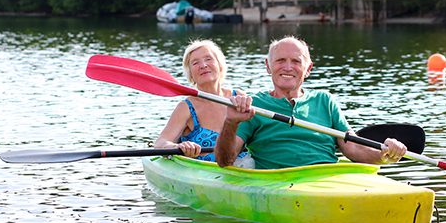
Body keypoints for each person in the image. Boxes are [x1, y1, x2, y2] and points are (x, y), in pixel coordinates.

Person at [215, 35, 407, 169]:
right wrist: (230, 122)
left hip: (326, 180)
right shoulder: (253, 106)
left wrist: (383, 154)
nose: (288, 67)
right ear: (268, 66)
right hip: (278, 183)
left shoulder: (325, 101)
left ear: (308, 69)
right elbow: (225, 160)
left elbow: (353, 147)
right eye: (280, 60)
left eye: (296, 61)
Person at [154, 39, 251, 166]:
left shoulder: (239, 98)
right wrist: (178, 147)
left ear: (220, 65)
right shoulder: (187, 107)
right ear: (191, 75)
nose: (203, 65)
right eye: (195, 63)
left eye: (208, 59)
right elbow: (161, 143)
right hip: (205, 176)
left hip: (244, 171)